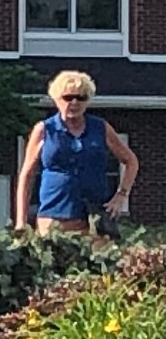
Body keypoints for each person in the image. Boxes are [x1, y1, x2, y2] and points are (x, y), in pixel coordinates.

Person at [14, 70, 138, 237]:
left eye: (81, 98)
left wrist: (121, 195)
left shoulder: (100, 128)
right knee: (52, 260)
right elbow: (27, 175)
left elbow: (131, 161)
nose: (74, 102)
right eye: (68, 97)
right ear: (57, 99)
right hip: (53, 215)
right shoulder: (44, 130)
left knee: (98, 262)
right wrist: (21, 222)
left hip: (94, 218)